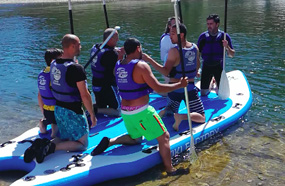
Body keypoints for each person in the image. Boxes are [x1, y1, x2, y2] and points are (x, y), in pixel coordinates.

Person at [91, 38, 188, 175]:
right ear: (137, 48)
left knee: (136, 139)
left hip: (126, 112)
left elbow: (116, 74)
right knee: (164, 137)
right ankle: (170, 169)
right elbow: (159, 88)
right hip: (142, 112)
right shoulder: (141, 66)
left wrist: (120, 56)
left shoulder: (118, 65)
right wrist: (179, 85)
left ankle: (110, 142)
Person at [24, 34, 97, 164]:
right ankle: (51, 147)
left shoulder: (54, 64)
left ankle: (39, 145)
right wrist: (92, 114)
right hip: (73, 111)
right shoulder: (75, 68)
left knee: (64, 136)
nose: (81, 47)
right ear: (73, 46)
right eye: (79, 44)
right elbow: (84, 94)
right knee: (82, 144)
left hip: (59, 109)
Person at [143, 23, 205, 131]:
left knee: (172, 108)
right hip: (189, 87)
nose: (170, 37)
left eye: (172, 34)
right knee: (201, 117)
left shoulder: (174, 51)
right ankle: (182, 116)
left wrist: (149, 60)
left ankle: (168, 110)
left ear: (181, 35)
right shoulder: (195, 48)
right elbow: (197, 67)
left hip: (174, 88)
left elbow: (165, 72)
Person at [197, 14, 235, 96]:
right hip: (206, 66)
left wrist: (227, 46)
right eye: (208, 24)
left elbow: (232, 55)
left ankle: (215, 82)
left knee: (221, 93)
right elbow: (197, 54)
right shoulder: (203, 37)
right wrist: (197, 68)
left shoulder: (224, 36)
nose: (209, 26)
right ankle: (212, 82)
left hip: (219, 66)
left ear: (217, 24)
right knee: (203, 93)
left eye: (211, 24)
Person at [90, 28, 124, 117]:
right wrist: (120, 58)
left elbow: (106, 54)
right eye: (116, 38)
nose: (118, 40)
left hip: (96, 83)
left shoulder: (96, 47)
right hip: (107, 85)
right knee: (119, 111)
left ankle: (93, 108)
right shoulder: (111, 54)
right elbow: (115, 72)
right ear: (111, 39)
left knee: (103, 105)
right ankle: (94, 109)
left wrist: (116, 50)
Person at [38, 48, 63, 138]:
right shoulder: (55, 74)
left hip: (46, 109)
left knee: (51, 120)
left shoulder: (43, 73)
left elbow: (39, 95)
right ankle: (53, 136)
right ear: (53, 61)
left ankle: (43, 124)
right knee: (55, 130)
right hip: (55, 110)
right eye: (61, 58)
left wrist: (43, 111)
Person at [160, 16, 177, 84]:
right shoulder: (167, 39)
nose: (177, 26)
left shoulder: (176, 38)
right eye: (174, 25)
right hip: (169, 69)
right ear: (169, 26)